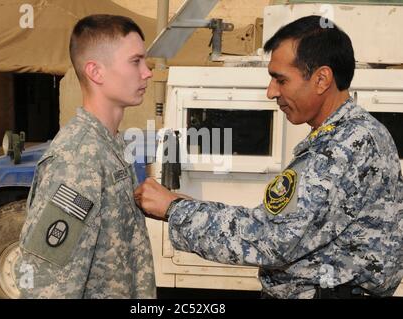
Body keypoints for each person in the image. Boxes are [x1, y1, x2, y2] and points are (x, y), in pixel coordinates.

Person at [134, 15, 403, 299]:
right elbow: (281, 222)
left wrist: (174, 210)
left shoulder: (341, 148)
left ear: (322, 78)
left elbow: (270, 238)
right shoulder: (353, 133)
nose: (271, 92)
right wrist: (182, 206)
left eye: (281, 80)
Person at [15, 14, 156, 298]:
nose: (147, 72)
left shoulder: (108, 143)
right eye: (135, 61)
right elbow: (48, 283)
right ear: (96, 72)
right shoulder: (79, 158)